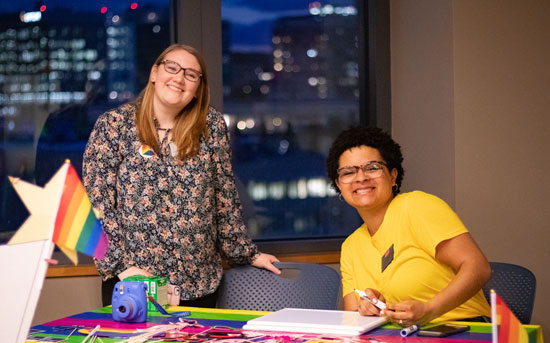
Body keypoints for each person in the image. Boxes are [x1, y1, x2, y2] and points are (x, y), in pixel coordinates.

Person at [83, 44, 280, 307]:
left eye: (190, 74)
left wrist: (246, 253)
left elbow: (224, 196)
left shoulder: (211, 125)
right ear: (154, 73)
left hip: (199, 285)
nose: (179, 78)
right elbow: (97, 204)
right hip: (134, 284)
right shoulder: (114, 125)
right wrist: (120, 267)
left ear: (198, 87)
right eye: (172, 68)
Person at [326, 126, 491, 326]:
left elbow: (478, 268)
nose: (361, 177)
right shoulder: (351, 247)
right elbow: (354, 319)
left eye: (372, 168)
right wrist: (367, 308)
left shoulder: (416, 207)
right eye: (348, 172)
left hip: (463, 328)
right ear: (339, 184)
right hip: (401, 339)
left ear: (393, 175)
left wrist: (429, 310)